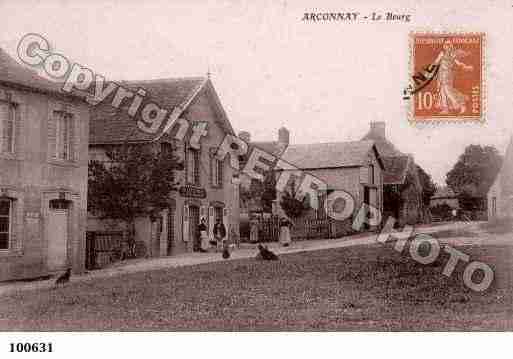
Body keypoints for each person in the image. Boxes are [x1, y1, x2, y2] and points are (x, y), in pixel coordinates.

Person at [433, 38, 474, 114]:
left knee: (448, 91)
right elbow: (436, 62)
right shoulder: (442, 53)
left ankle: (462, 105)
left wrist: (466, 67)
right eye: (446, 44)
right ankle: (445, 109)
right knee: (442, 92)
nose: (447, 46)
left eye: (449, 44)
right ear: (443, 45)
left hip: (448, 75)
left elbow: (458, 63)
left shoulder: (452, 54)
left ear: (451, 45)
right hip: (441, 75)